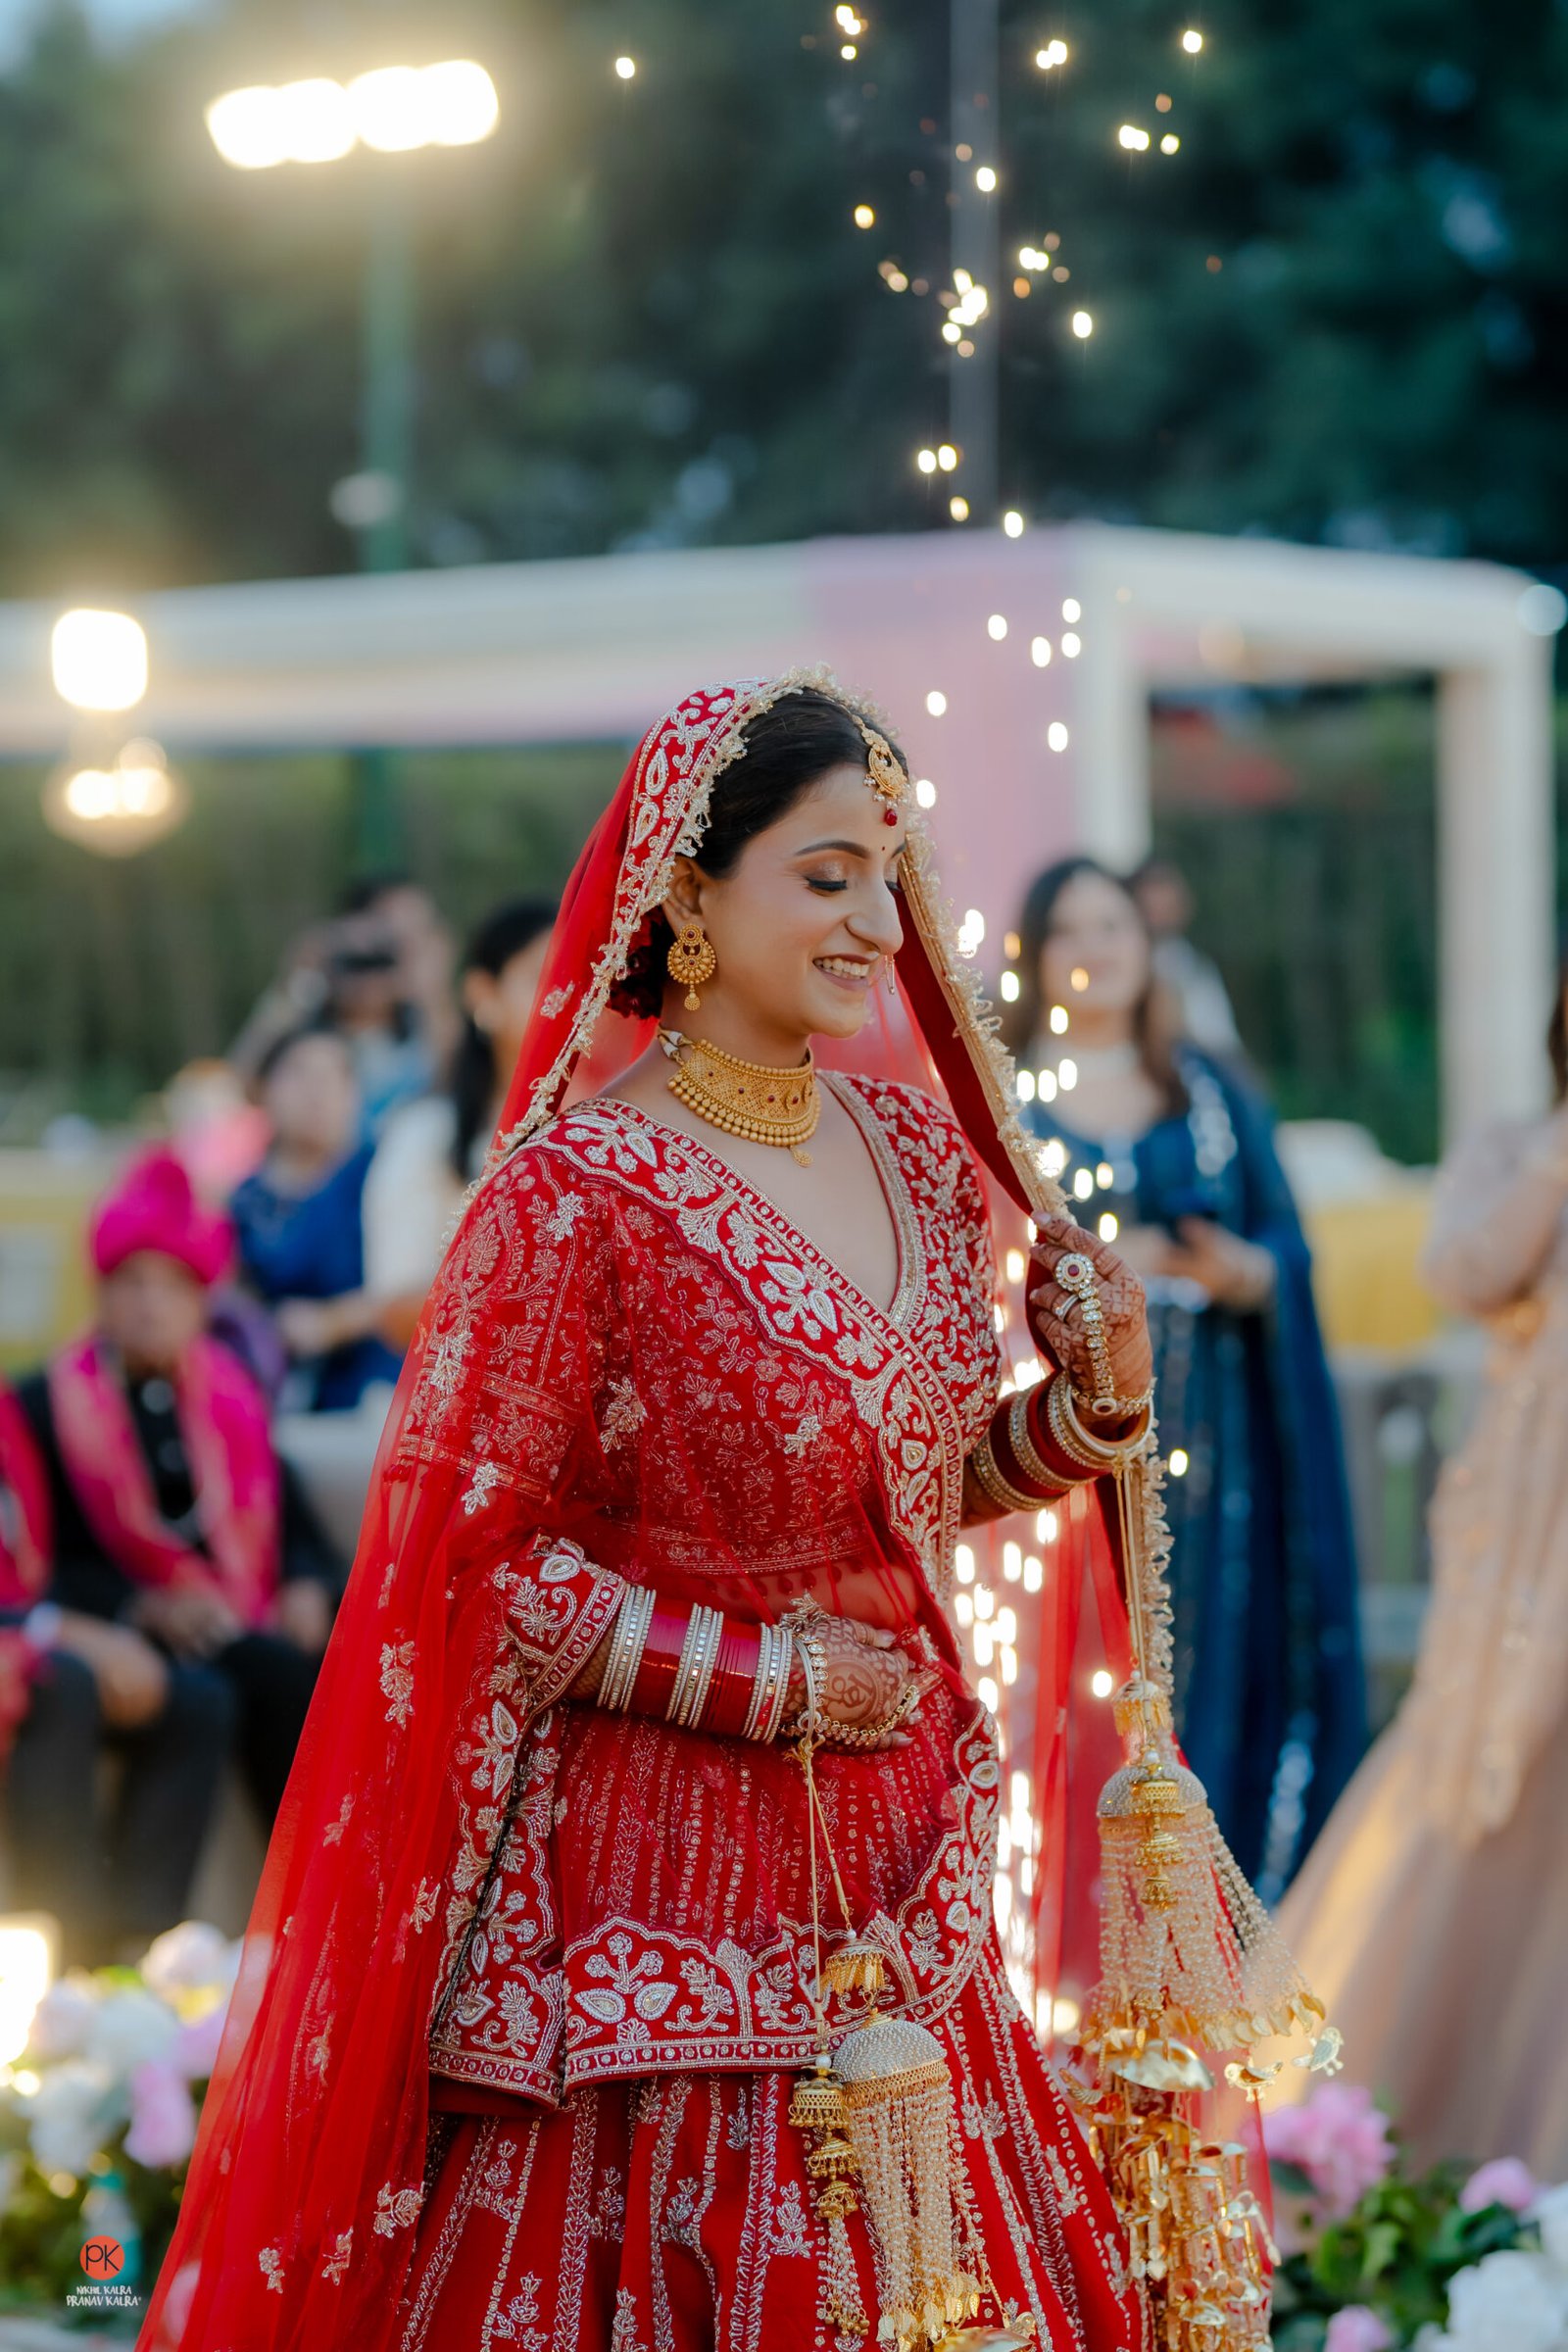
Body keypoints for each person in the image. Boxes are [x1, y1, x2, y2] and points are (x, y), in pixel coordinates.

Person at [139, 676, 1208, 2352]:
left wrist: (1089, 1412)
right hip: (659, 1899)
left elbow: (906, 1491)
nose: (881, 925)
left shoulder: (919, 1155)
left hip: (901, 1866)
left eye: (891, 876)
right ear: (690, 896)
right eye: (829, 875)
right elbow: (482, 1571)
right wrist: (773, 1682)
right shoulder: (571, 1197)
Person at [1005, 857, 1363, 1893]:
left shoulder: (1208, 1089)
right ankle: (1077, 1914)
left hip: (1219, 1453)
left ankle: (1216, 1908)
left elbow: (1284, 1244)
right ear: (1037, 956)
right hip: (1063, 1457)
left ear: (1147, 944)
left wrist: (1243, 1272)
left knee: (1210, 1650)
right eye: (1070, 930)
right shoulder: (1003, 1097)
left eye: (1113, 925)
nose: (1095, 949)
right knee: (1083, 1667)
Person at [1277, 965, 1568, 2177]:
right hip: (1531, 1523)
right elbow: (1464, 1272)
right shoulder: (1515, 1147)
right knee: (1495, 1762)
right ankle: (1428, 2131)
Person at [17, 1151, 339, 1862]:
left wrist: (304, 1582)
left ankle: (338, 1887)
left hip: (239, 1613)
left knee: (333, 1655)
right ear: (101, 1294)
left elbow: (290, 1518)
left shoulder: (232, 1398)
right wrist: (145, 1608)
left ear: (201, 1302)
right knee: (250, 1682)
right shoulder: (44, 1407)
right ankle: (303, 1885)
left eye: (172, 1287)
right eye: (132, 1283)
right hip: (124, 1625)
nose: (150, 1304)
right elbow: (40, 1560)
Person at [1, 1377, 226, 1964]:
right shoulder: (41, 1398)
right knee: (62, 1683)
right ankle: (65, 1950)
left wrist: (123, 1616)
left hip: (28, 1621)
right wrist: (53, 1628)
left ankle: (140, 1950)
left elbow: (40, 1558)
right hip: (20, 1641)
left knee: (199, 1700)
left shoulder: (9, 1412)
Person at [363, 897, 555, 1343]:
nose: (570, 998)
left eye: (586, 979)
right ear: (483, 993)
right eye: (543, 976)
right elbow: (397, 1308)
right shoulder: (426, 1136)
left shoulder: (623, 1131)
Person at [230, 1024, 403, 1412]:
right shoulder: (245, 1201)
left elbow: (421, 1282)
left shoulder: (383, 1176)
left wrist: (331, 1323)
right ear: (265, 1089)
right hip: (272, 1397)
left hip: (375, 1395)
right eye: (299, 1074)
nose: (316, 1092)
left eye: (332, 1076)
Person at [1128, 856, 1244, 1062]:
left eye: (1167, 905)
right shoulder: (1127, 968)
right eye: (1150, 907)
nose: (1160, 913)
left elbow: (1222, 1040)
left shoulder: (1195, 966)